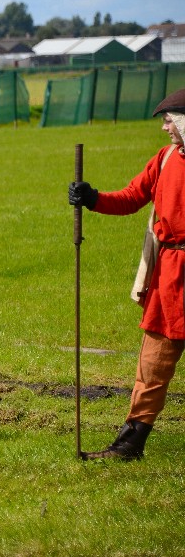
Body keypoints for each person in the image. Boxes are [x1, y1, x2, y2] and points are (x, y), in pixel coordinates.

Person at [69, 87, 185, 460]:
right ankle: (130, 444)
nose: (165, 127)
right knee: (152, 365)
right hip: (169, 279)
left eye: (170, 119)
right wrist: (93, 198)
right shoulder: (166, 159)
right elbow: (132, 197)